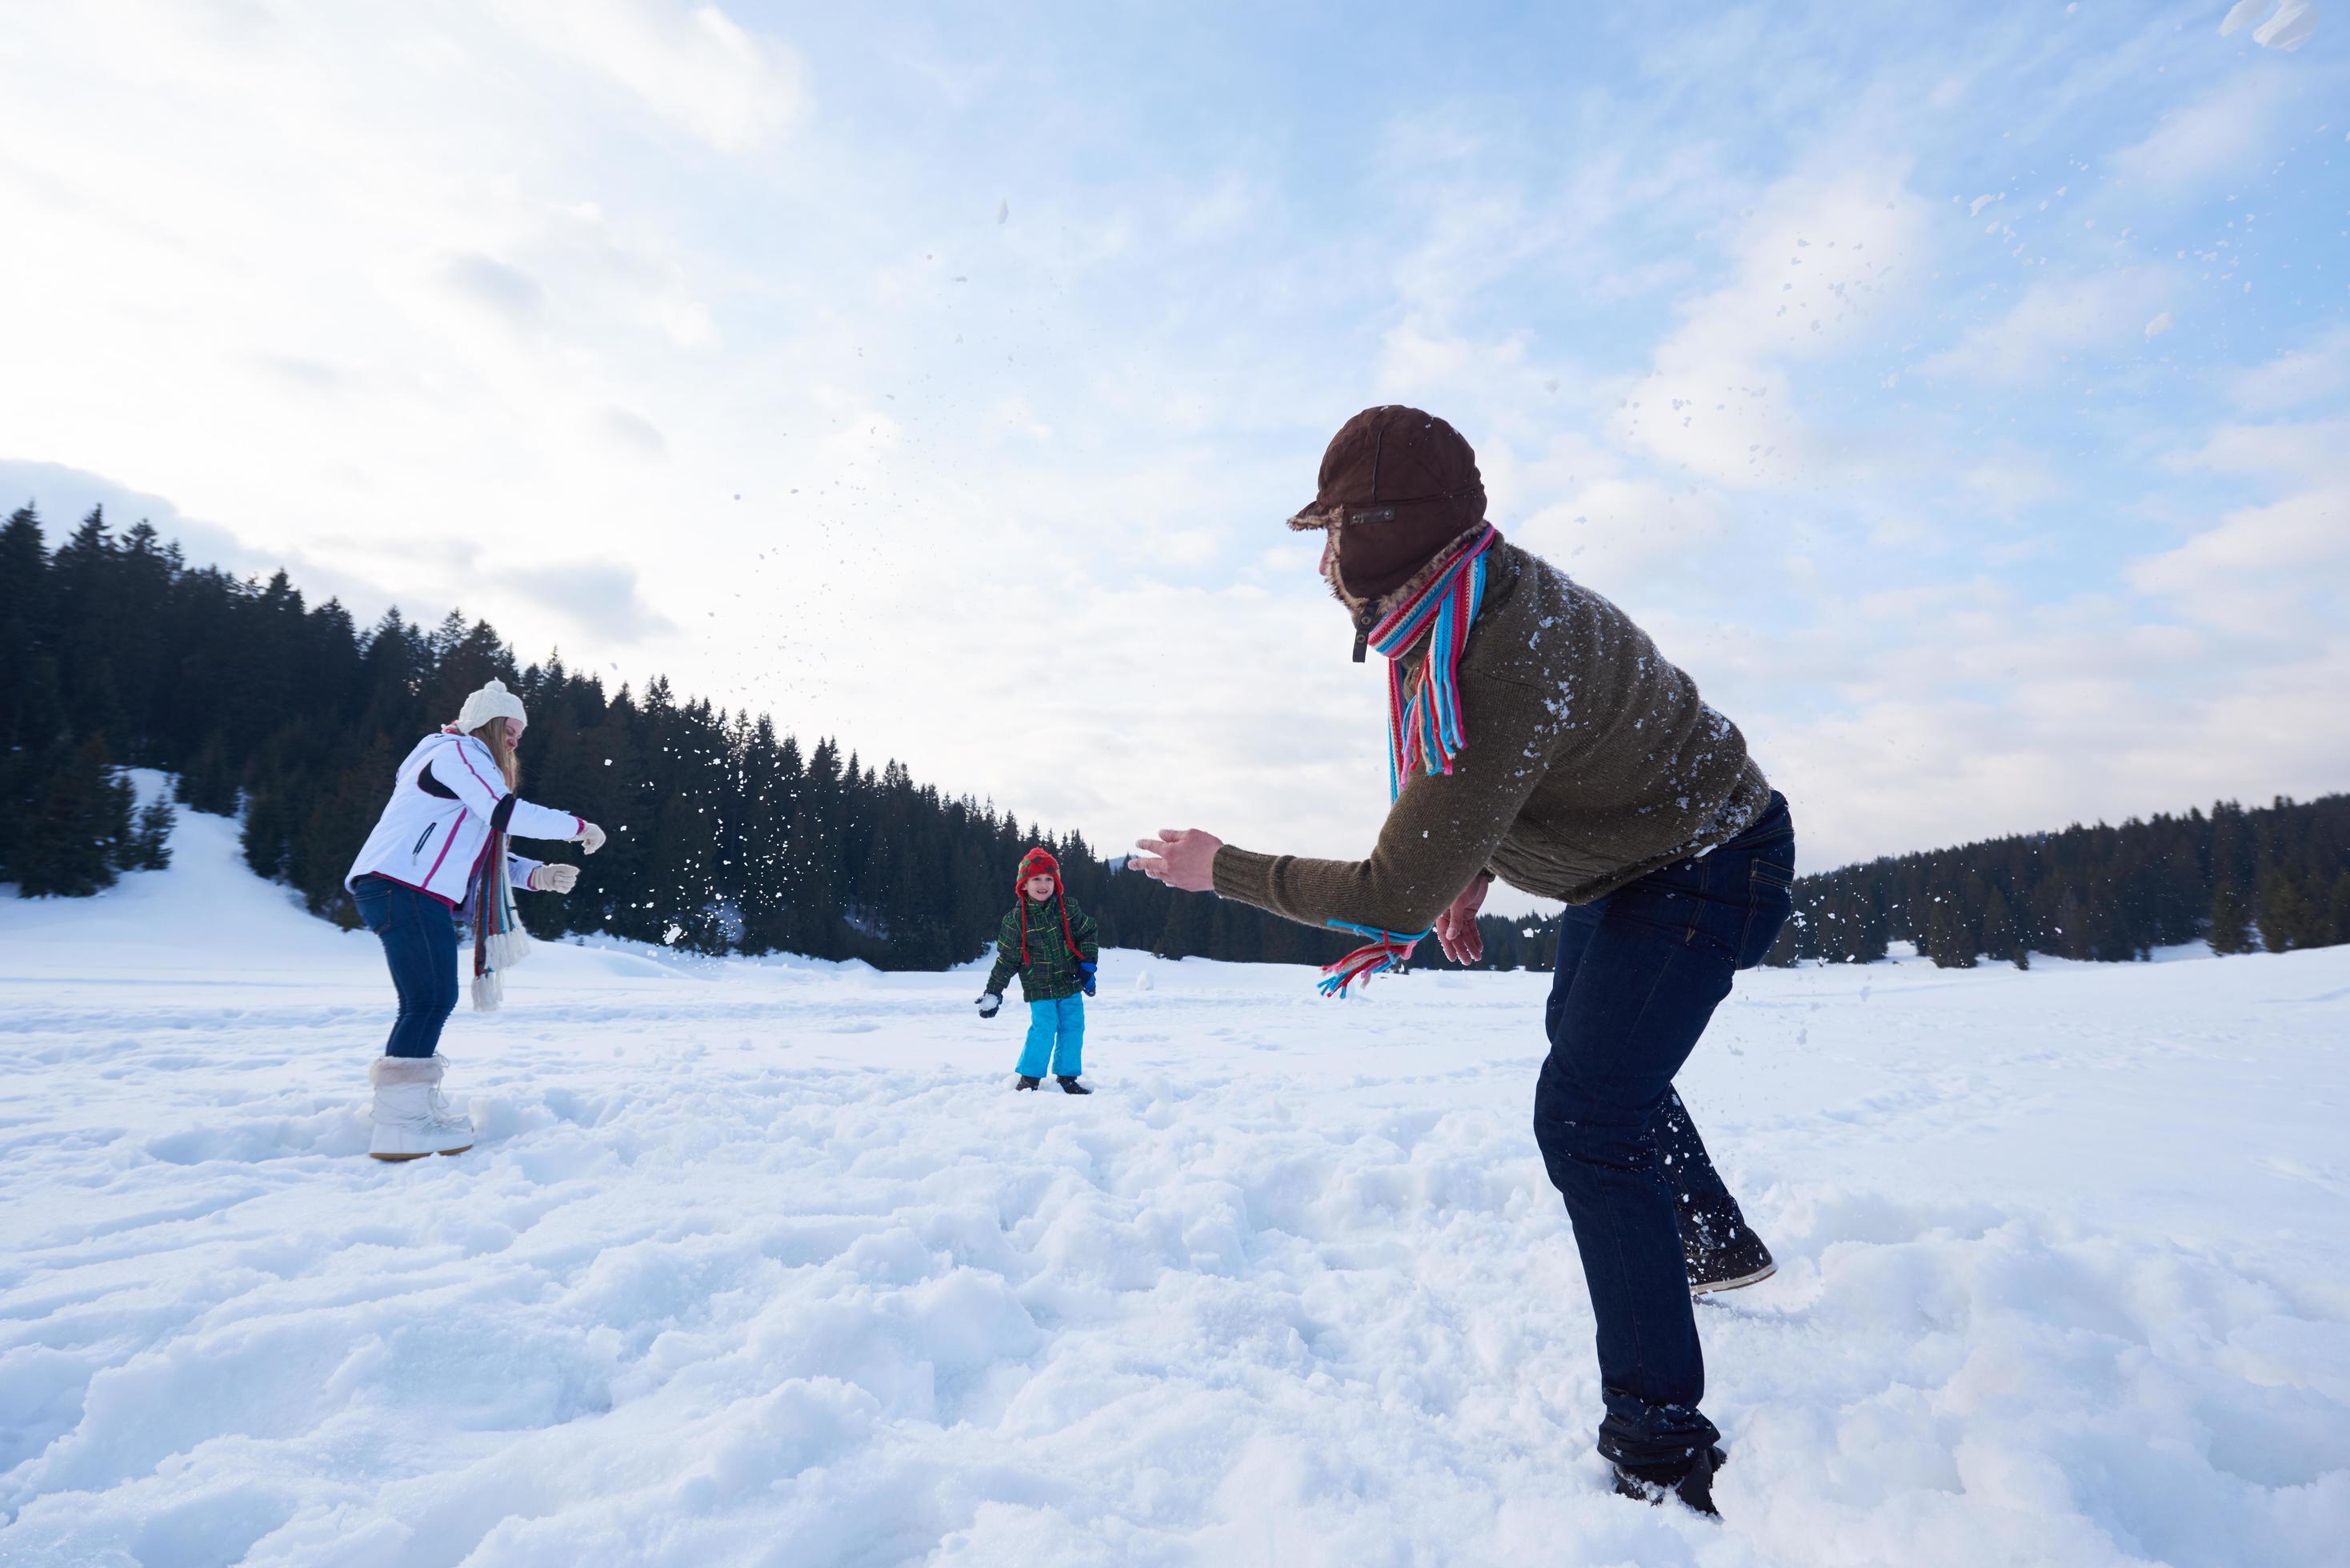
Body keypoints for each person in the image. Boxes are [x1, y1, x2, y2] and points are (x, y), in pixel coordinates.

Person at [1134, 406, 1793, 1518]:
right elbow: (1513, 776)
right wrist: (1474, 867)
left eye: (1341, 553)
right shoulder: (1469, 602)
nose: (1337, 579)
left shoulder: (1489, 659)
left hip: (1708, 863)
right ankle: (1710, 1240)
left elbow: (1394, 884)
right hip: (1637, 860)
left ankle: (1658, 1439)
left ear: (1378, 554)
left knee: (1589, 1114)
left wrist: (1224, 869)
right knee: (1597, 1066)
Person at [343, 678, 606, 1159]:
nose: (515, 740)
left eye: (520, 733)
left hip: (409, 889)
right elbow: (506, 813)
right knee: (429, 999)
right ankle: (403, 1124)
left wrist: (539, 876)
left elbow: (484, 858)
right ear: (484, 723)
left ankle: (402, 1110)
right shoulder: (457, 752)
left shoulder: (466, 774)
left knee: (426, 999)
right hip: (404, 887)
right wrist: (578, 827)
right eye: (510, 728)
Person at [975, 847, 1100, 1093]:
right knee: (1044, 1027)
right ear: (1024, 884)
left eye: (1048, 879)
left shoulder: (1068, 908)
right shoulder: (1015, 920)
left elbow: (1088, 931)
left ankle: (1067, 1077)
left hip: (1070, 981)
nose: (1043, 885)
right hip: (1039, 986)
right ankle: (1029, 1078)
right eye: (1036, 879)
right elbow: (1007, 960)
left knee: (1073, 1027)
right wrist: (994, 991)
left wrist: (1087, 966)